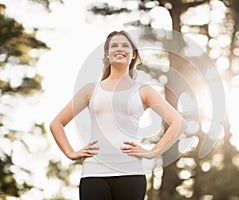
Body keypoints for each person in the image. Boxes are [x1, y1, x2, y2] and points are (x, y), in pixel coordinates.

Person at [49, 30, 186, 200]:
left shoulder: (143, 91)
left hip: (131, 173)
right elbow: (56, 124)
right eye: (114, 46)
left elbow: (177, 121)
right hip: (93, 173)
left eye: (125, 45)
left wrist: (153, 152)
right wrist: (70, 153)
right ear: (107, 54)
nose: (119, 49)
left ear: (133, 54)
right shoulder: (90, 90)